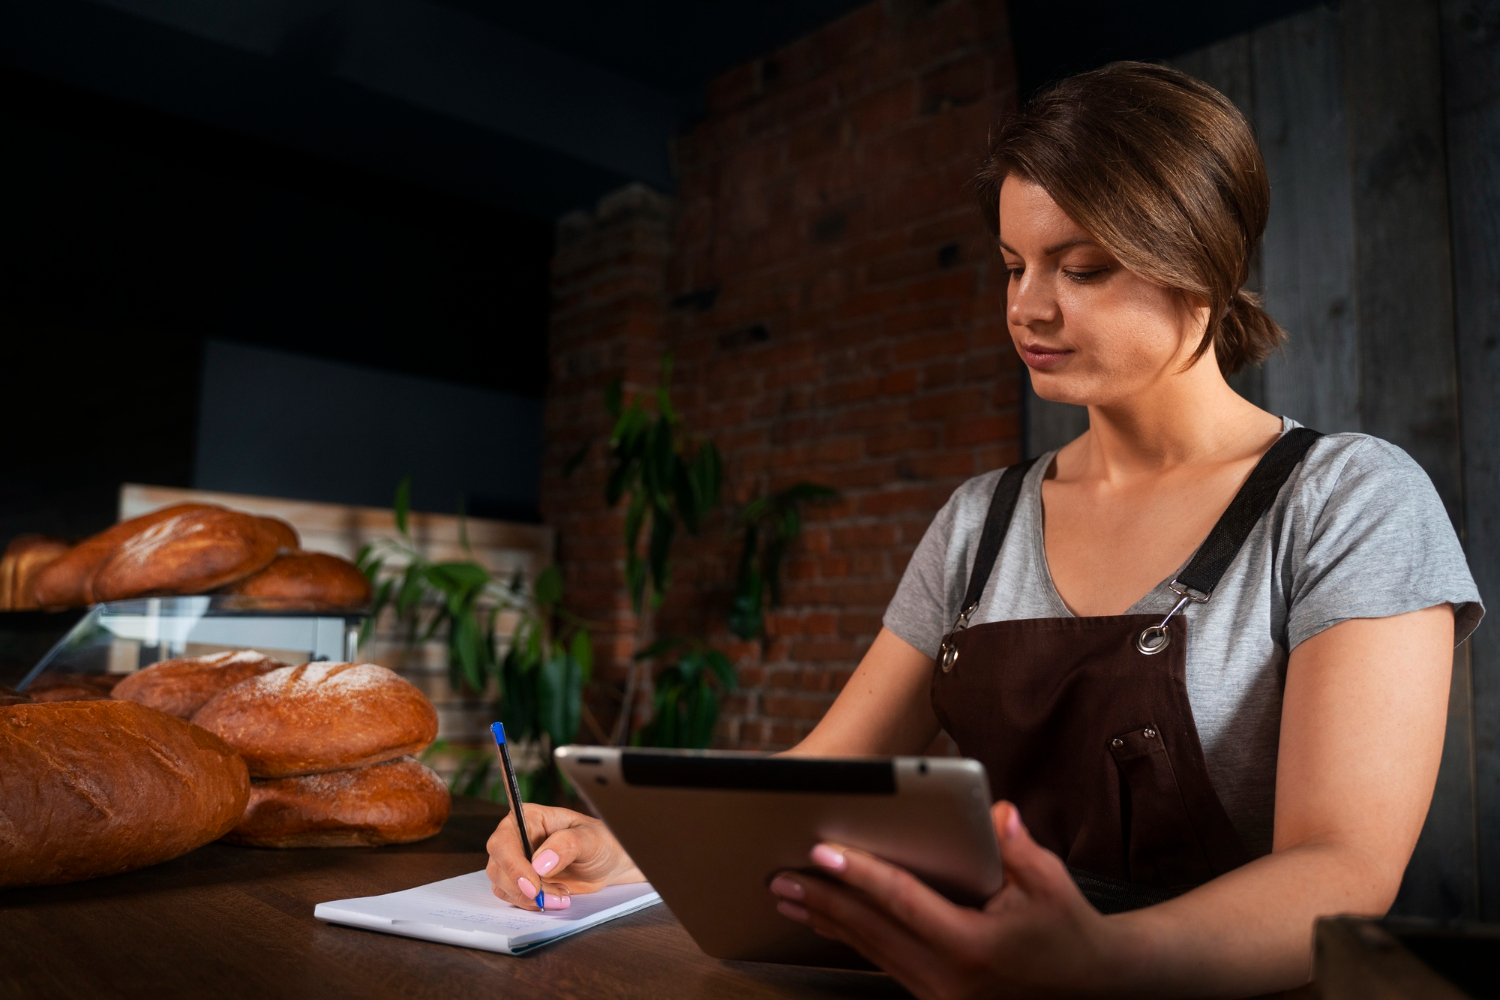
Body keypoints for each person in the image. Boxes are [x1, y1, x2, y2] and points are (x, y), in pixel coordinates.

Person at [484, 62, 1483, 997]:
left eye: (1082, 268)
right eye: (1014, 265)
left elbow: (1344, 866)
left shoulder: (1347, 501)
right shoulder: (981, 520)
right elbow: (821, 773)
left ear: (1204, 262)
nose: (1026, 308)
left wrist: (1095, 961)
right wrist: (630, 839)